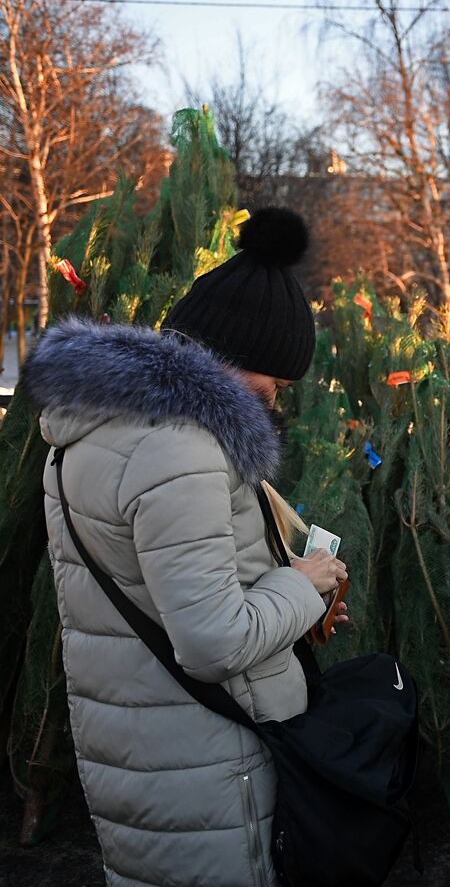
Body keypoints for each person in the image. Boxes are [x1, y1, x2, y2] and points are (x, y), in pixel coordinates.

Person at [23, 207, 348, 887]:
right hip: (208, 769)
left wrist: (281, 589)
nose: (275, 402)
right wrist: (304, 583)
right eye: (275, 383)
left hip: (152, 751)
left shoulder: (107, 423)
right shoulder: (181, 448)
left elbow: (153, 577)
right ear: (238, 357)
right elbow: (212, 644)